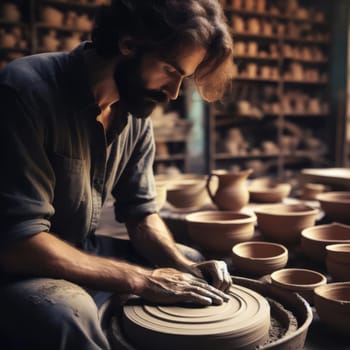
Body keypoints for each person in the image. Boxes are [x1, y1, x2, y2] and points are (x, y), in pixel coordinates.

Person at [0, 0, 235, 349]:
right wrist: (140, 280)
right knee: (69, 313)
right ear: (128, 44)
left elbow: (141, 214)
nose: (172, 93)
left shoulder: (134, 115)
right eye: (170, 70)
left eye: (181, 79)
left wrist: (182, 267)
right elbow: (18, 243)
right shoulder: (24, 91)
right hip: (20, 266)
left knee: (195, 265)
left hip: (79, 247)